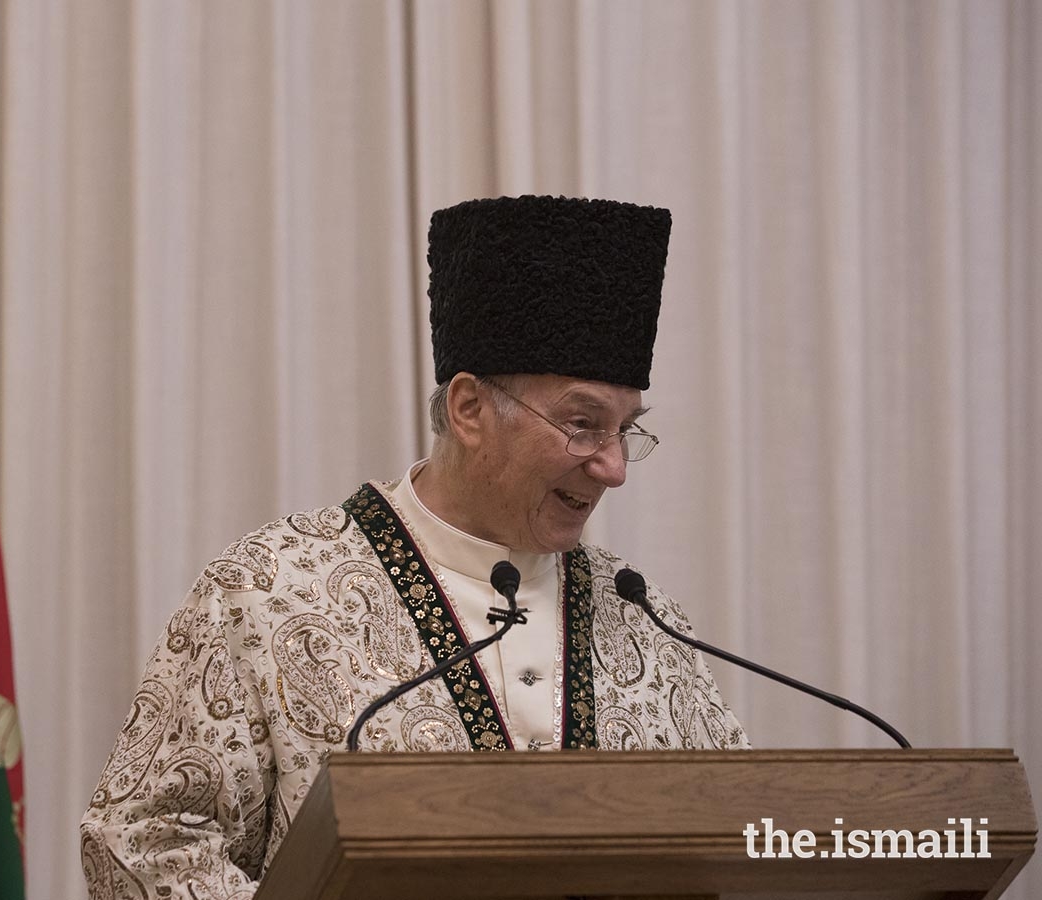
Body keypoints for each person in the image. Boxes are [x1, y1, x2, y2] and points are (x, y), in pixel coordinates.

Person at [80, 195, 749, 900]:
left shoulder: (645, 621)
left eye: (625, 431)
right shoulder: (269, 592)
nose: (612, 466)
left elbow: (732, 841)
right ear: (468, 410)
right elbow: (144, 845)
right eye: (583, 424)